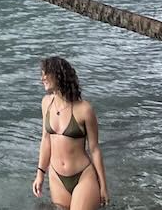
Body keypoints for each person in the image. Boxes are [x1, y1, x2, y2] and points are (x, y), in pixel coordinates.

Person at [32, 56, 109, 209]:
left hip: (82, 176)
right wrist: (40, 174)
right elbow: (46, 140)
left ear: (59, 75)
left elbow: (94, 149)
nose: (42, 78)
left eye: (46, 73)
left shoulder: (84, 109)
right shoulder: (46, 103)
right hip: (56, 178)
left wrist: (103, 186)